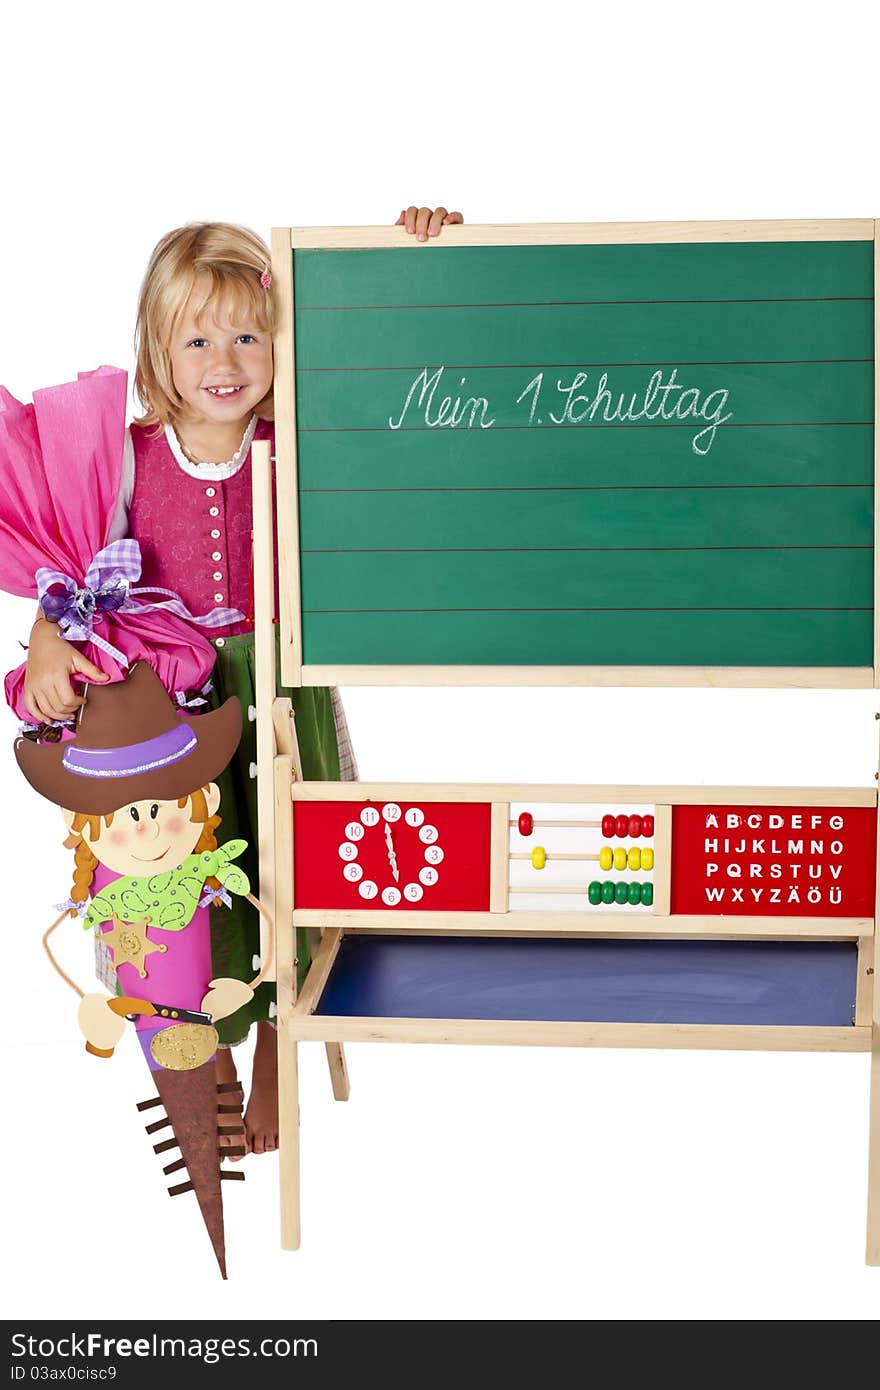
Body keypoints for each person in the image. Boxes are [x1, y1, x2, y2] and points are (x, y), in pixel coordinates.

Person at [21, 205, 464, 1155]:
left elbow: (400, 389)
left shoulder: (296, 437)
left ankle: (277, 1048)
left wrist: (413, 255)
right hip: (169, 707)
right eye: (197, 337)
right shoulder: (129, 459)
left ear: (280, 341)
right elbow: (73, 574)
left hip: (283, 685)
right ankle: (202, 1050)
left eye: (248, 334)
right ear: (157, 351)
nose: (225, 357)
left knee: (290, 861)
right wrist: (53, 646)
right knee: (181, 879)